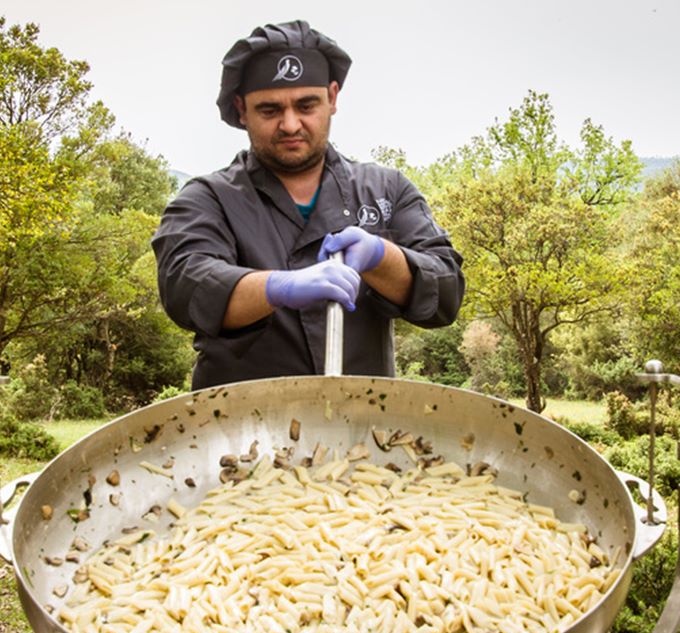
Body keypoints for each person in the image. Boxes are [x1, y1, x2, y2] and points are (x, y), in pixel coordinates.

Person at [152, 20, 464, 389]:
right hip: (239, 432)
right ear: (241, 109)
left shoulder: (387, 189)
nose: (290, 124)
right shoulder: (206, 198)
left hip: (364, 429)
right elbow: (186, 286)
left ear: (332, 98)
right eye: (269, 110)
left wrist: (382, 257)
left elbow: (446, 291)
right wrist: (279, 287)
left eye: (306, 105)